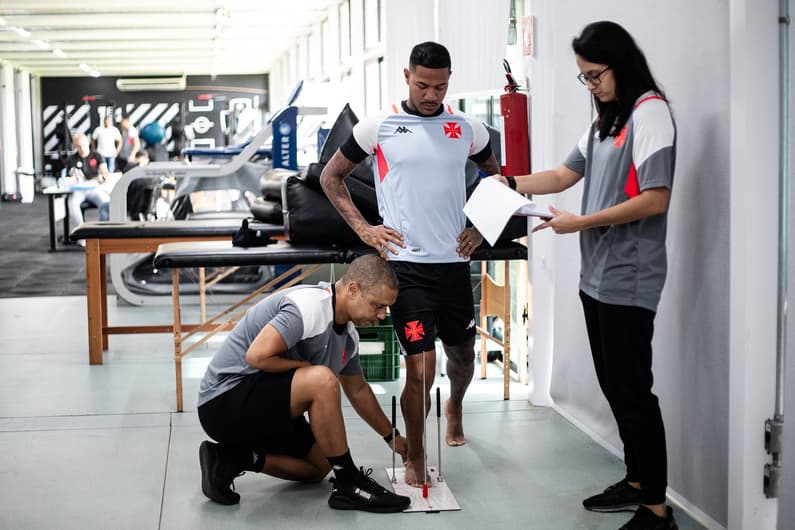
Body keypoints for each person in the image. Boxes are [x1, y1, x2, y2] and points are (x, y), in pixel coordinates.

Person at [496, 21, 677, 530]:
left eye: (595, 75)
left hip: (630, 276)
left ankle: (657, 512)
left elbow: (655, 198)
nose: (591, 86)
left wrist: (580, 222)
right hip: (596, 276)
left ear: (621, 64)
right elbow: (562, 175)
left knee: (634, 391)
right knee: (616, 386)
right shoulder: (607, 119)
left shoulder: (650, 114)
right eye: (584, 77)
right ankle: (637, 481)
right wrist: (505, 181)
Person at [320, 41, 501, 488]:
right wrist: (365, 230)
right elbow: (330, 176)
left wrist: (480, 226)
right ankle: (416, 452)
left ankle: (455, 405)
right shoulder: (378, 126)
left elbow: (497, 179)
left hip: (455, 265)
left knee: (460, 356)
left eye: (439, 87)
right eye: (422, 85)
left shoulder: (467, 128)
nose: (431, 95)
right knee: (421, 367)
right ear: (406, 76)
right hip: (406, 269)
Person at [197, 255, 411, 513]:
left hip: (265, 403)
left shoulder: (348, 336)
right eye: (377, 305)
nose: (381, 315)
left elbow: (358, 390)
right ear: (353, 289)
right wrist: (308, 370)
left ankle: (230, 460)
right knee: (322, 380)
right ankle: (348, 483)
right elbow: (257, 356)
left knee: (319, 465)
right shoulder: (309, 307)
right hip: (223, 403)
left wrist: (392, 436)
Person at [65, 132, 111, 235]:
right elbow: (69, 177)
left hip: (95, 188)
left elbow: (105, 175)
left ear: (88, 143)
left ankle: (101, 232)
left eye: (84, 145)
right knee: (72, 204)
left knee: (107, 202)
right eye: (79, 146)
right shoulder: (72, 159)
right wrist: (73, 176)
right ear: (75, 146)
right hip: (79, 190)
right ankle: (81, 233)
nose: (82, 148)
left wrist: (98, 178)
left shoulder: (97, 156)